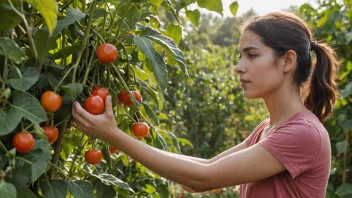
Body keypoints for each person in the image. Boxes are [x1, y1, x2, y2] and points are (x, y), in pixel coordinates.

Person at [72, 11, 340, 198]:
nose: (238, 67)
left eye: (252, 55)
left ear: (287, 61)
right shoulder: (268, 129)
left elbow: (202, 179)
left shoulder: (302, 134)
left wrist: (114, 135)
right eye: (240, 56)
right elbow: (204, 169)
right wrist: (118, 136)